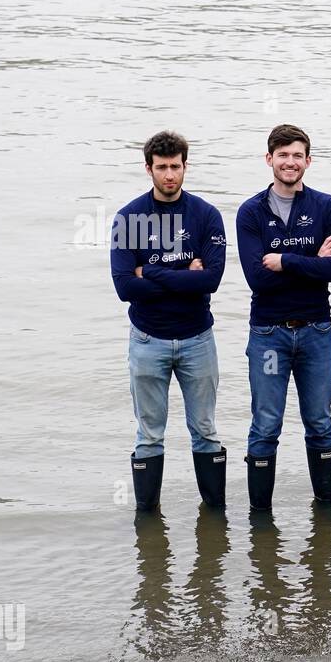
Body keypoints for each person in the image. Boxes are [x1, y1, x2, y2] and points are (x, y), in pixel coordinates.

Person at [236, 124, 331, 510]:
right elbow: (257, 279)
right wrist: (313, 261)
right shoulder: (251, 212)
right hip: (269, 334)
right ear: (269, 159)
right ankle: (260, 517)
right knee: (266, 426)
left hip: (317, 330)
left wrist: (285, 261)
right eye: (282, 155)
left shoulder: (326, 207)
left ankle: (326, 509)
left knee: (320, 423)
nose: (290, 162)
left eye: (297, 155)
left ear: (308, 161)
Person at [111, 131, 227, 512]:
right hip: (148, 339)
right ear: (149, 169)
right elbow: (126, 287)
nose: (169, 175)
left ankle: (214, 517)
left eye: (175, 166)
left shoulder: (206, 215)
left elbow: (210, 280)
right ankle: (148, 520)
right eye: (161, 168)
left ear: (185, 166)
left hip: (197, 338)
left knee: (206, 432)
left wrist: (153, 273)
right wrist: (183, 274)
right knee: (149, 435)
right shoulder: (128, 218)